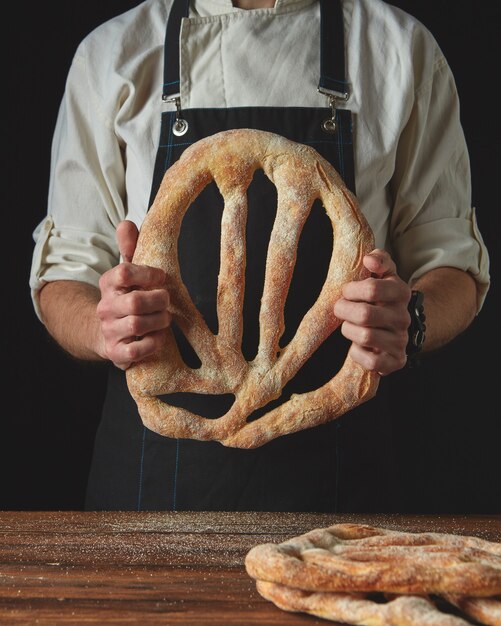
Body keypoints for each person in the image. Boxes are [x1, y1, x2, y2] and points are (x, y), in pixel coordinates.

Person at [30, 0, 489, 513]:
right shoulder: (113, 53)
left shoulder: (398, 49)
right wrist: (101, 327)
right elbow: (63, 275)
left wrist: (412, 318)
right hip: (149, 497)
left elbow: (454, 265)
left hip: (340, 494)